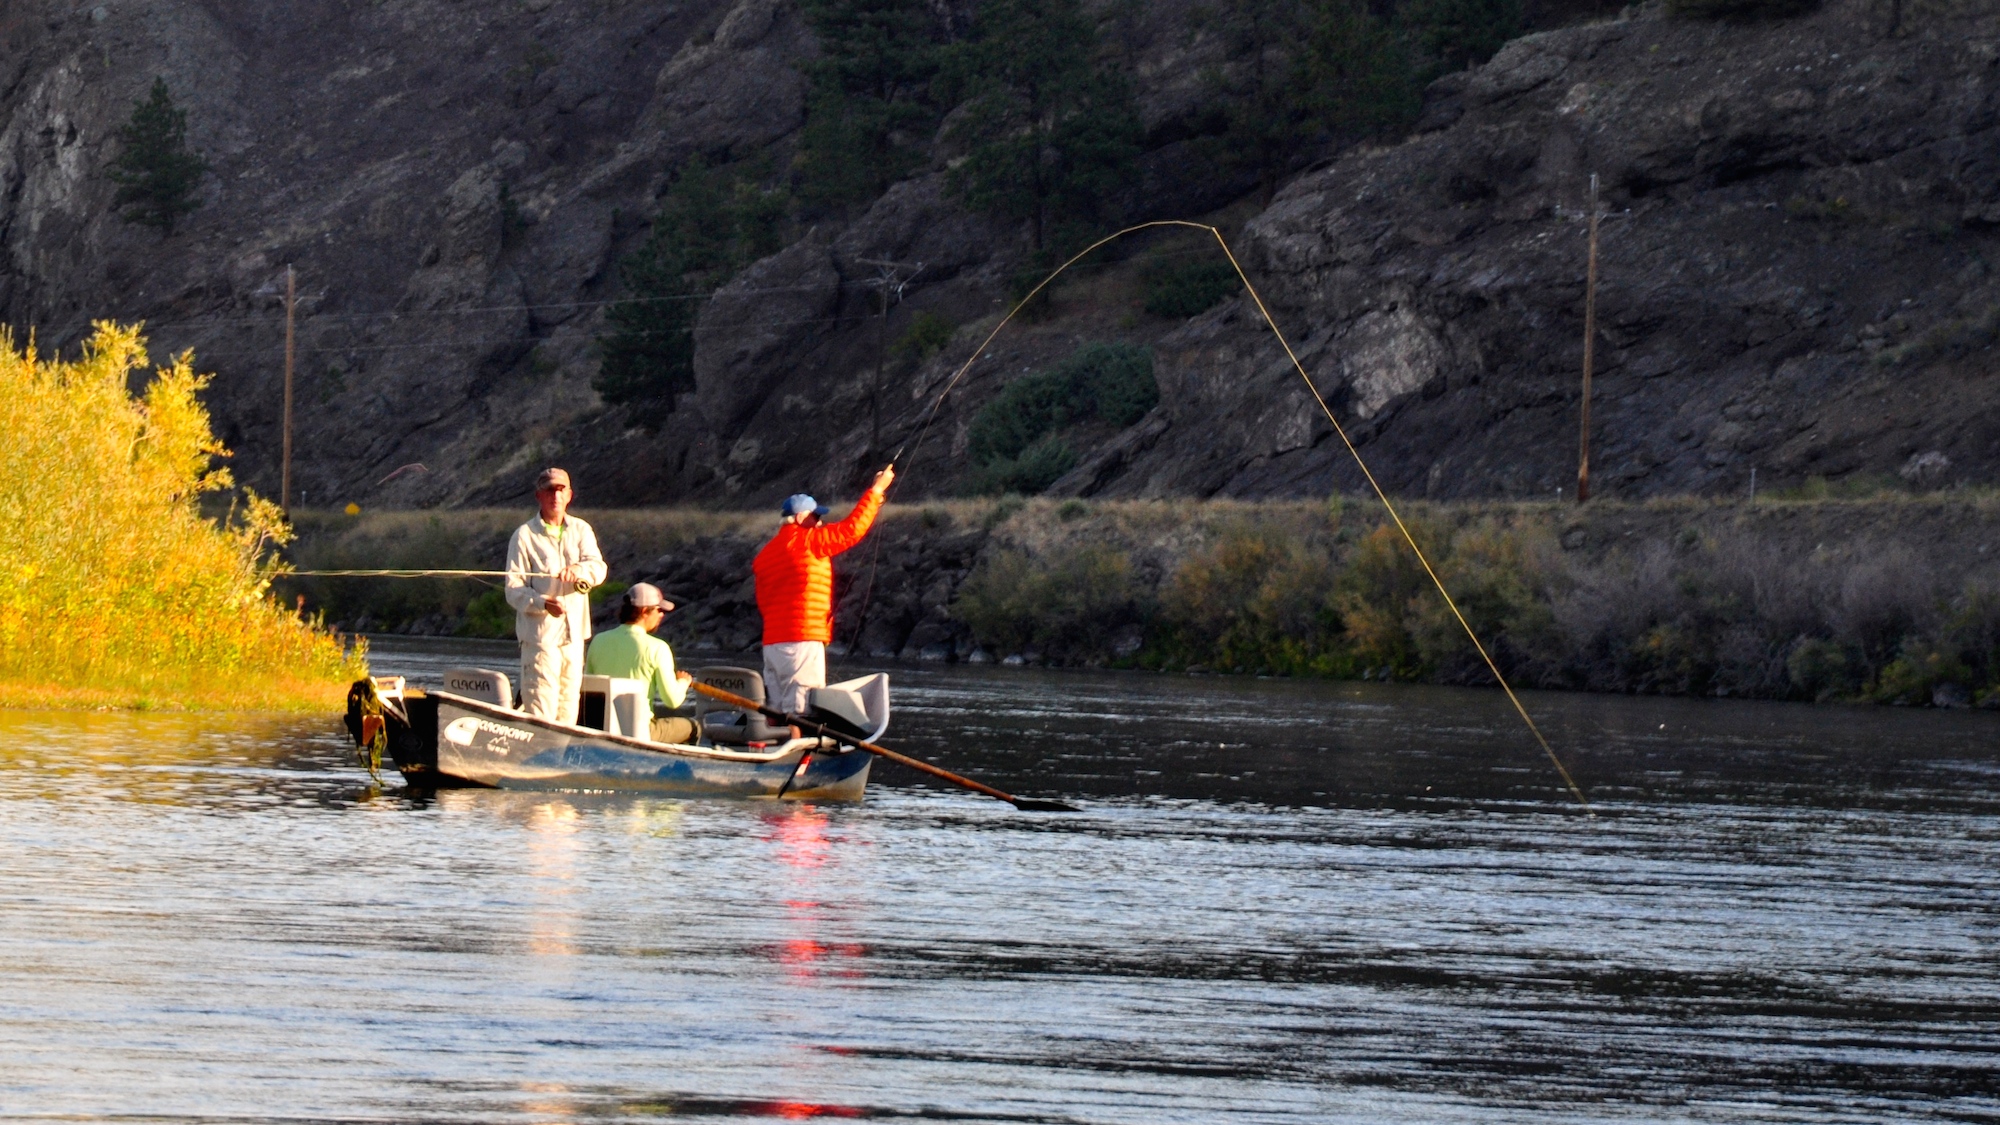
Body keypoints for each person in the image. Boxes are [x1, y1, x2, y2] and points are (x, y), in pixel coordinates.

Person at [753, 465, 895, 715]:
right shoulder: (810, 541)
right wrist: (876, 490)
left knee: (775, 709)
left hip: (772, 643)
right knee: (801, 709)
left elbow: (763, 603)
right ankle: (800, 753)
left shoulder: (765, 555)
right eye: (815, 517)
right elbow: (853, 530)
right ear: (799, 518)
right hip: (803, 639)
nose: (820, 522)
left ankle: (772, 748)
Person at [503, 467, 607, 724]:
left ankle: (557, 761)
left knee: (568, 710)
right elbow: (513, 590)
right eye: (549, 491)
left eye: (560, 490)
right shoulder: (524, 536)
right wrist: (542, 603)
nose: (555, 496)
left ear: (569, 495)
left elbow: (598, 568)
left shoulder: (581, 530)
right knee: (541, 710)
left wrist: (579, 571)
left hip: (574, 638)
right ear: (539, 495)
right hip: (540, 641)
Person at [584, 582, 697, 743]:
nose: (661, 615)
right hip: (640, 731)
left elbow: (589, 685)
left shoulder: (598, 641)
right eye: (659, 610)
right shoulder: (658, 648)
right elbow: (672, 700)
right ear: (644, 611)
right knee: (694, 727)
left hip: (601, 728)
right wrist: (683, 682)